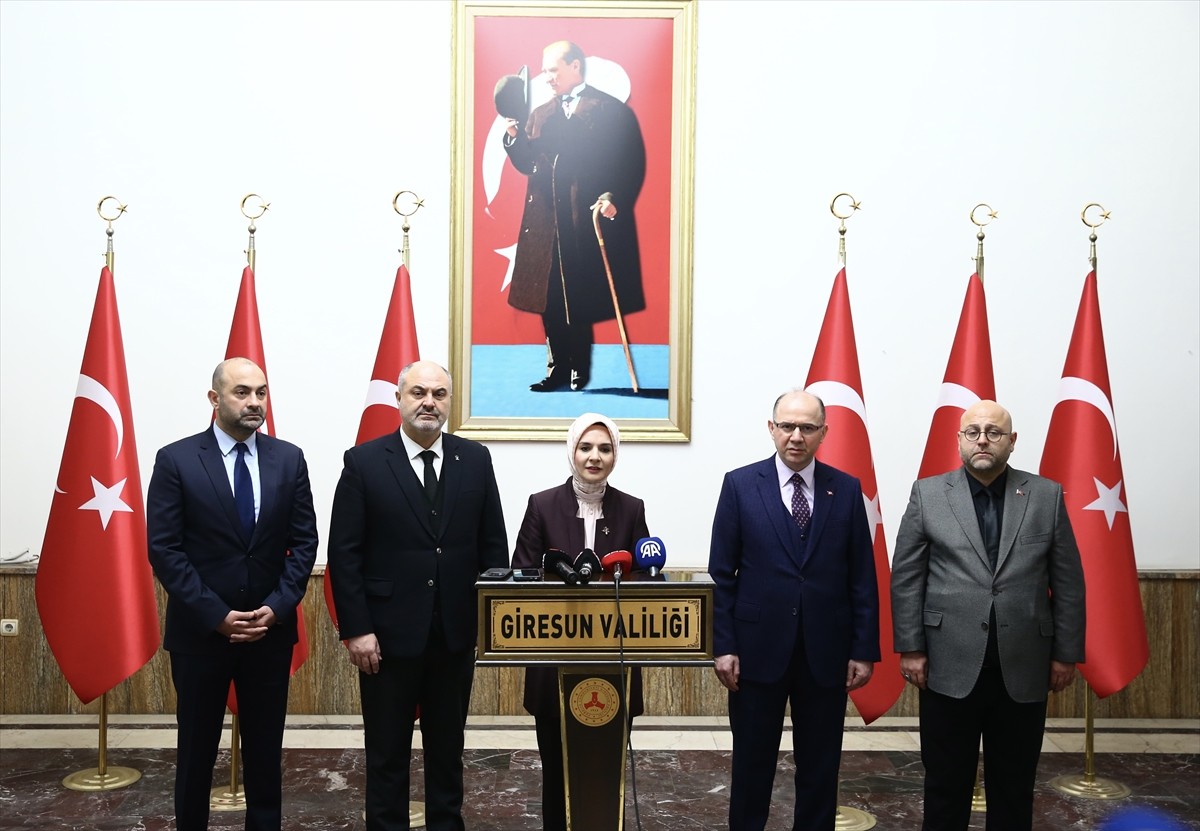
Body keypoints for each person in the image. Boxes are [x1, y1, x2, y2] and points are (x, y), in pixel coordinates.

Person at [327, 360, 508, 831]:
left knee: (448, 750)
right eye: (419, 392)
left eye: (440, 394)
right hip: (384, 639)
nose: (430, 401)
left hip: (454, 634)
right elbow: (344, 555)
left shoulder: (476, 458)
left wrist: (487, 626)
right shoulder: (364, 462)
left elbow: (493, 548)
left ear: (450, 402)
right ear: (399, 399)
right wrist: (357, 629)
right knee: (386, 753)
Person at [891, 399, 1086, 831]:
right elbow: (907, 576)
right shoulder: (928, 493)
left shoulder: (1045, 495)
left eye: (994, 433)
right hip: (947, 663)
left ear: (1011, 442)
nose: (983, 439)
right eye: (973, 432)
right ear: (959, 440)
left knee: (1015, 786)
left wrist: (1066, 653)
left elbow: (1068, 580)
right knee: (945, 784)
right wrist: (910, 647)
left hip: (1023, 665)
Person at [146, 357, 318, 831]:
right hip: (201, 636)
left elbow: (304, 543)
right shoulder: (176, 459)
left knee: (265, 751)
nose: (254, 402)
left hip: (269, 632)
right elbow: (164, 549)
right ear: (214, 398)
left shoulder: (289, 458)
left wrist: (279, 606)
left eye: (261, 392)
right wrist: (217, 614)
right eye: (242, 392)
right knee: (196, 751)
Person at [708, 389, 880, 831]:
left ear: (824, 432)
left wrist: (863, 649)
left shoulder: (845, 489)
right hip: (754, 653)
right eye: (787, 426)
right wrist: (723, 645)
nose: (796, 436)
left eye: (807, 427)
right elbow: (721, 576)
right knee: (751, 767)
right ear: (772, 429)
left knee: (821, 769)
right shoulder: (740, 484)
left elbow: (861, 575)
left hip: (826, 654)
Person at [510, 412, 650, 831]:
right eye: (586, 447)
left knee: (605, 770)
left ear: (616, 455)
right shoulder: (542, 504)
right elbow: (523, 572)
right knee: (556, 769)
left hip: (615, 664)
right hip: (554, 664)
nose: (594, 457)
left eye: (604, 449)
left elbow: (643, 578)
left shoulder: (632, 508)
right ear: (571, 451)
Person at [503, 39, 646, 392]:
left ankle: (578, 370)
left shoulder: (611, 111)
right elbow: (528, 164)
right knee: (549, 298)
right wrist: (513, 139)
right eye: (545, 71)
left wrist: (613, 196)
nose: (547, 78)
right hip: (545, 224)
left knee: (579, 295)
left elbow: (630, 161)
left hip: (583, 217)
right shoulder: (539, 115)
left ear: (575, 67)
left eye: (553, 70)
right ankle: (557, 369)